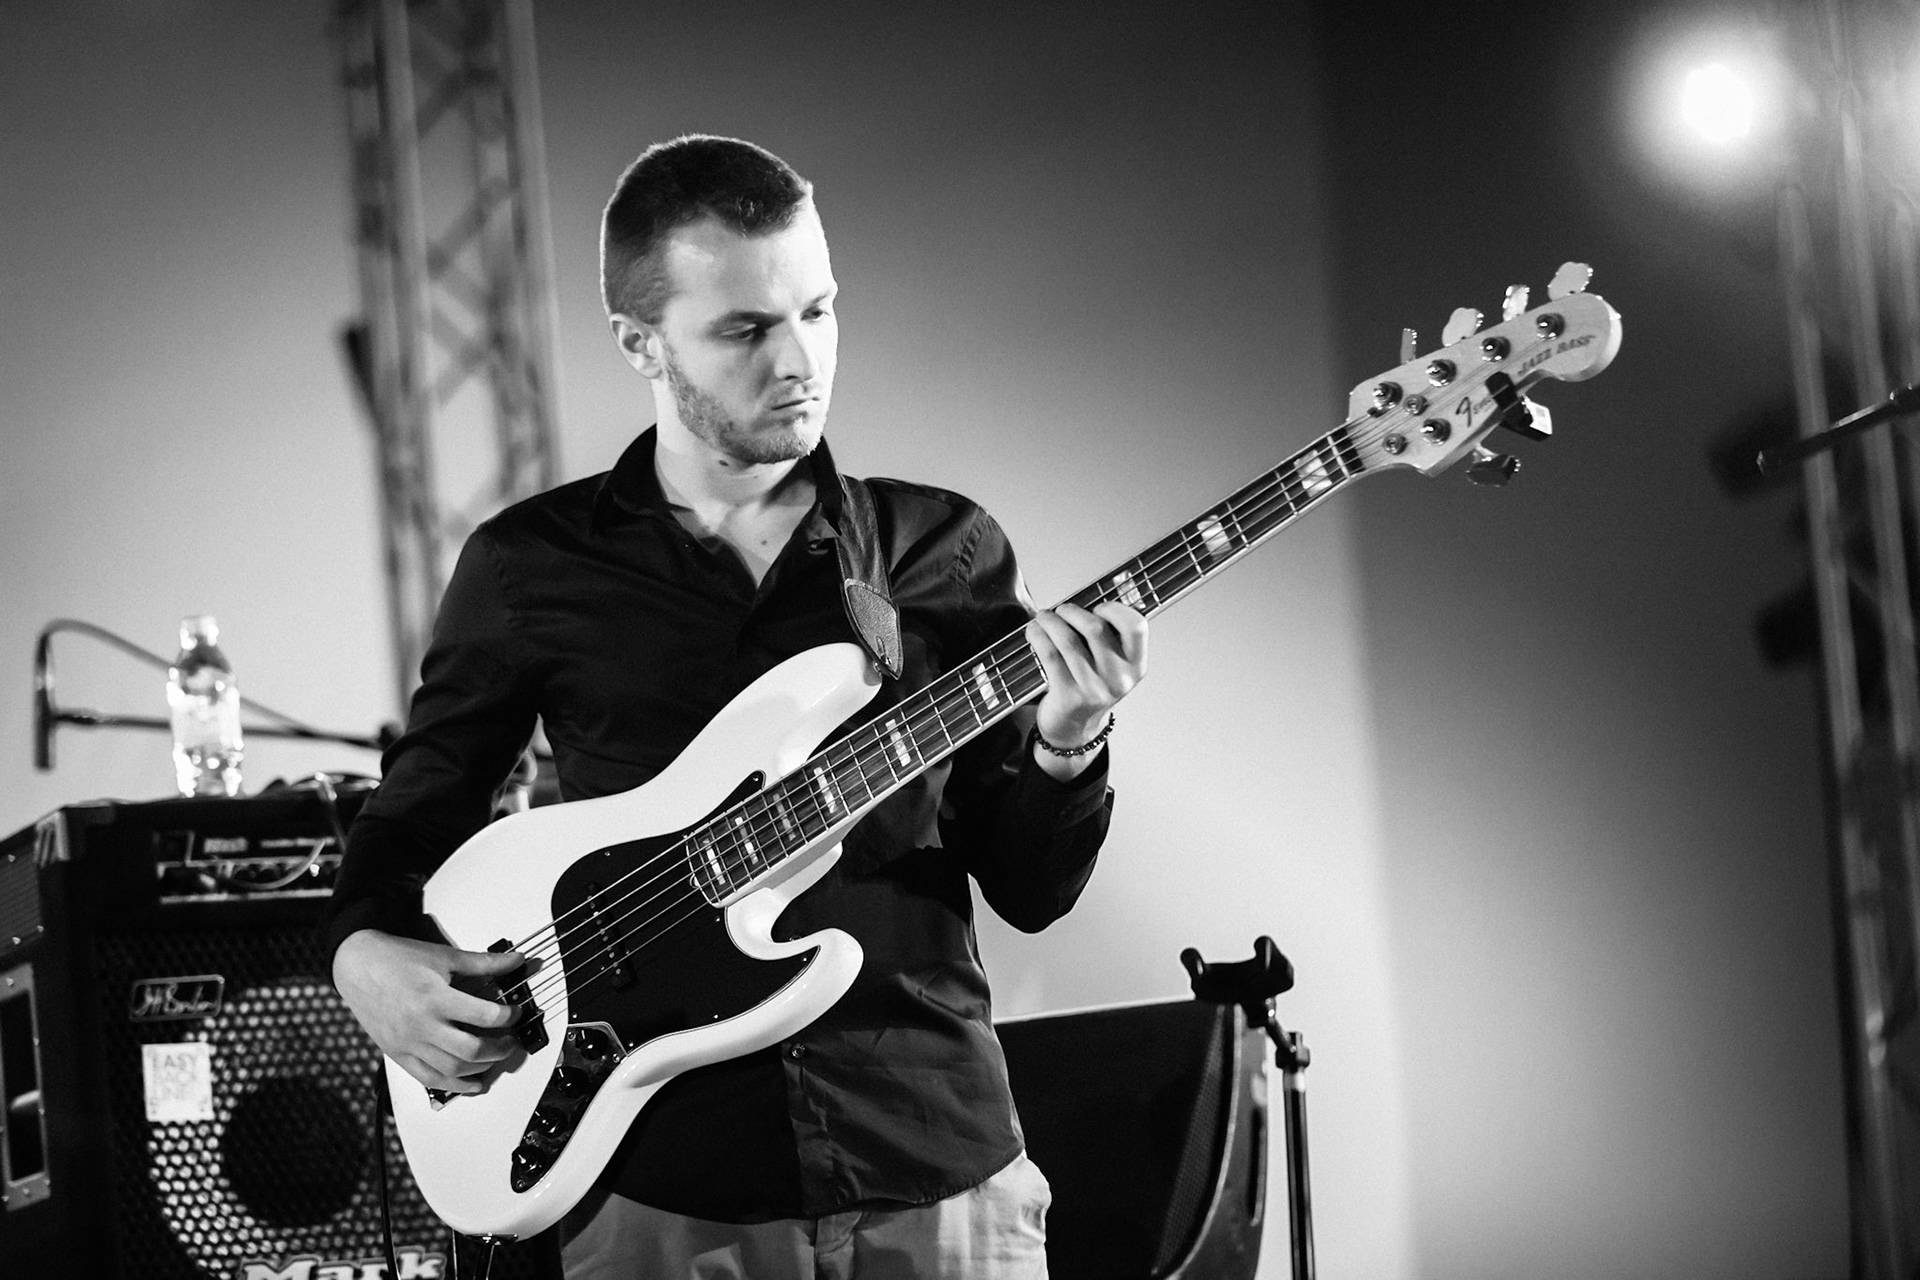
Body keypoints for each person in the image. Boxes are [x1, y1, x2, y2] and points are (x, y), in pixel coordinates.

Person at [324, 134, 1148, 1279]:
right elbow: (411, 820)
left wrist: (1070, 739)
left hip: (930, 1153)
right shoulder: (531, 567)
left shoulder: (937, 549)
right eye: (747, 329)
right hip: (668, 1173)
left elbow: (1029, 886)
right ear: (640, 343)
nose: (799, 358)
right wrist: (361, 954)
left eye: (818, 310)